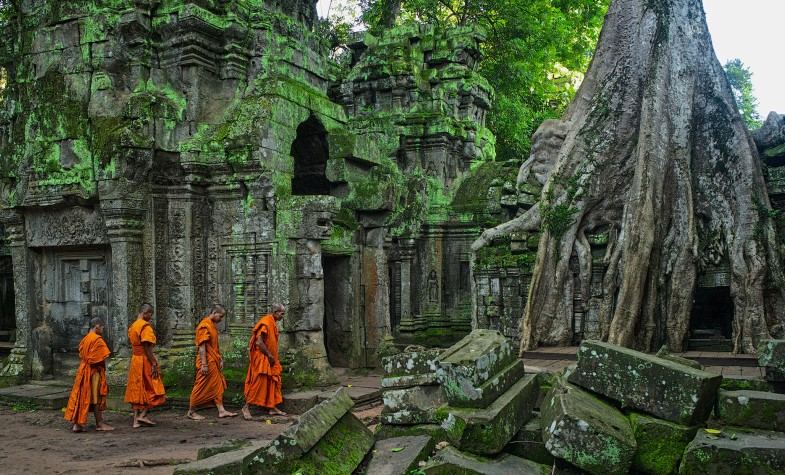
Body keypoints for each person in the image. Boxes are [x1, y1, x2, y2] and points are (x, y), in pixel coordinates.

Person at [186, 304, 237, 420]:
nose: (221, 319)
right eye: (220, 316)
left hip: (213, 359)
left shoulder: (212, 325)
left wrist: (220, 358)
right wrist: (204, 364)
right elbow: (202, 347)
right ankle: (191, 411)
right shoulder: (204, 325)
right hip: (207, 361)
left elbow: (214, 345)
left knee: (217, 384)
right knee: (201, 384)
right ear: (214, 313)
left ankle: (221, 410)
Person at [64, 317, 114, 432]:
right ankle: (99, 423)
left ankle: (77, 424)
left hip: (83, 370)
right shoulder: (97, 340)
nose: (102, 329)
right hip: (93, 372)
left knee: (81, 395)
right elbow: (99, 359)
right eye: (102, 327)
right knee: (96, 397)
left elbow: (82, 354)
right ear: (97, 326)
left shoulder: (85, 339)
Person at [241, 304, 286, 420]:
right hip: (263, 358)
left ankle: (272, 407)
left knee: (273, 382)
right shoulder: (266, 322)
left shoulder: (273, 322)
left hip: (270, 358)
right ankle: (246, 407)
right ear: (275, 312)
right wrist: (269, 355)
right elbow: (259, 343)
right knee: (259, 383)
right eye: (282, 313)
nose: (283, 316)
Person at [124, 303, 166, 428]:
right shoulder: (145, 326)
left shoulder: (133, 326)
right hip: (144, 359)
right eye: (150, 314)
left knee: (137, 389)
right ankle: (143, 415)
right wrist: (153, 362)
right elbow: (146, 347)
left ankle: (135, 420)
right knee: (154, 387)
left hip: (135, 360)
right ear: (145, 312)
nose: (151, 317)